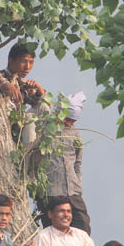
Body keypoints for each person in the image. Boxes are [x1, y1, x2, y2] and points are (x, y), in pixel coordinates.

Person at [36, 92, 89, 234]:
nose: (69, 123)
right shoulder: (45, 129)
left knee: (82, 228)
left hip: (73, 191)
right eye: (67, 119)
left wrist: (78, 184)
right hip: (51, 192)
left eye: (73, 121)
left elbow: (77, 163)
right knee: (52, 232)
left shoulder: (75, 133)